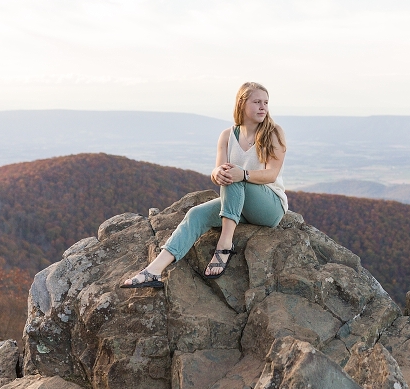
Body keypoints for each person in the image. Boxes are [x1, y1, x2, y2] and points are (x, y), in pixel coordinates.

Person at [121, 81, 288, 288]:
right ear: (242, 104)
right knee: (196, 214)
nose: (263, 107)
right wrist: (218, 172)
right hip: (241, 202)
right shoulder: (227, 135)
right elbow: (216, 171)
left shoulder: (274, 132)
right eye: (257, 102)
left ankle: (224, 244)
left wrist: (241, 174)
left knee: (233, 174)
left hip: (269, 206)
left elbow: (271, 174)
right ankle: (152, 271)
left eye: (266, 102)